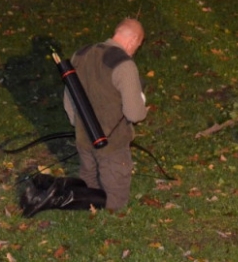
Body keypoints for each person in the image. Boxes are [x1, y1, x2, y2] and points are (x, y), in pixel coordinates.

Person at [20, 18, 149, 216]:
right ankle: (53, 197)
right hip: (112, 146)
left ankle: (50, 188)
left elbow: (69, 97)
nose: (134, 50)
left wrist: (80, 125)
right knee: (116, 201)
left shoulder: (82, 54)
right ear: (133, 41)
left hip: (84, 139)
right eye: (137, 46)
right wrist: (142, 106)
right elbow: (134, 113)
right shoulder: (124, 64)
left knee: (90, 185)